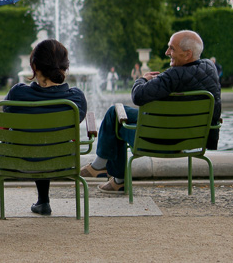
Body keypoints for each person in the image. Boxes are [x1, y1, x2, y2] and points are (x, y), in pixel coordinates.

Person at [80, 30, 221, 193]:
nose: (167, 52)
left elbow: (138, 96)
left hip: (160, 141)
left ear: (188, 54)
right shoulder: (210, 68)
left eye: (172, 49)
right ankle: (108, 172)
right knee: (117, 114)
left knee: (117, 118)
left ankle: (108, 171)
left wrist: (142, 79)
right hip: (192, 139)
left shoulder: (173, 76)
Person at [3, 39, 87, 216]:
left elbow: (5, 116)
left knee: (37, 142)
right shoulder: (76, 100)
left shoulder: (18, 93)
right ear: (65, 66)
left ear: (34, 66)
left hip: (20, 160)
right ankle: (42, 202)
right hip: (63, 160)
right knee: (47, 140)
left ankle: (43, 201)